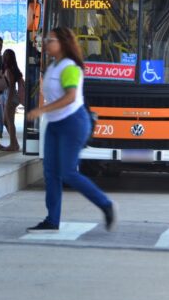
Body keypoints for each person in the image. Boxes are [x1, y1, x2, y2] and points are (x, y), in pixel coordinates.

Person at [26, 27, 116, 232]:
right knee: (50, 173)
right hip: (55, 124)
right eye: (46, 39)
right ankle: (52, 220)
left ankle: (106, 204)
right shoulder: (52, 66)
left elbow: (70, 97)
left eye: (51, 40)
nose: (46, 43)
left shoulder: (69, 67)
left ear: (63, 44)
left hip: (72, 123)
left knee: (67, 172)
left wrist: (41, 110)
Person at [2, 48, 25, 151]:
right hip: (13, 96)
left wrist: (8, 101)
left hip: (10, 97)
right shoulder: (14, 69)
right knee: (6, 121)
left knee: (9, 122)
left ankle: (13, 145)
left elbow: (11, 86)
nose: (4, 57)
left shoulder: (8, 70)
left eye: (5, 55)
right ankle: (14, 143)